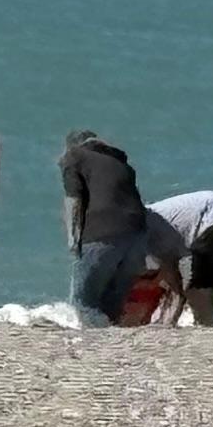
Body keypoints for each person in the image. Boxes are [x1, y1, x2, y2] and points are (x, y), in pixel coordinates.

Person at [58, 131, 151, 324]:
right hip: (138, 236)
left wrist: (73, 239)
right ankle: (111, 346)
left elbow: (73, 200)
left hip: (101, 233)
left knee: (82, 304)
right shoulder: (122, 164)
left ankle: (88, 346)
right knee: (112, 307)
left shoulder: (74, 156)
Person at [140, 187, 213, 324]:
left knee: (197, 290)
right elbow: (173, 280)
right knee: (197, 282)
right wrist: (169, 319)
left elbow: (173, 277)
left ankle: (206, 328)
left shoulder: (146, 226)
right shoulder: (147, 228)